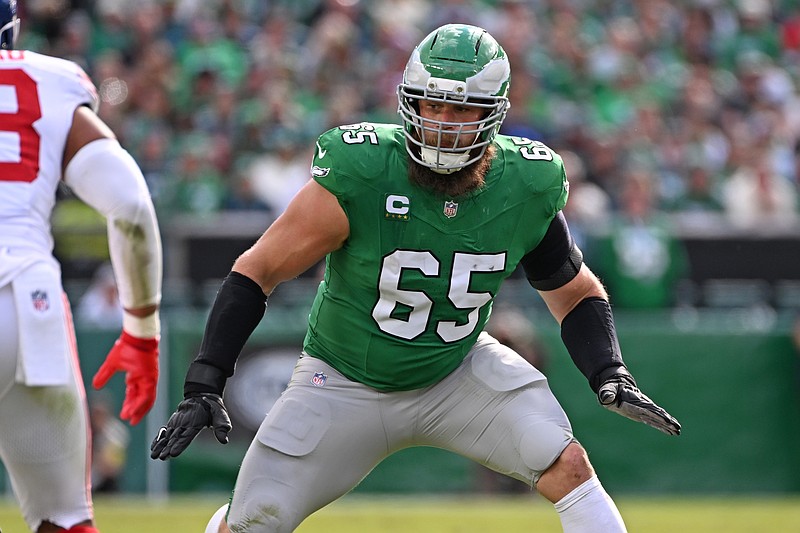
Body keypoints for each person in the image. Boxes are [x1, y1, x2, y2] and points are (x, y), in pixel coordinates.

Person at [151, 24, 680, 533]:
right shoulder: (363, 171)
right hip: (341, 381)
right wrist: (206, 379)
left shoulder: (525, 185)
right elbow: (257, 270)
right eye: (432, 104)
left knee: (568, 466)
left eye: (461, 107)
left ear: (492, 115)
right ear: (409, 102)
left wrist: (609, 369)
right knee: (252, 523)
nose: (443, 123)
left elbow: (575, 292)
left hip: (458, 370)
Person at [0, 2, 163, 532]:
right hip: (26, 304)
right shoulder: (46, 82)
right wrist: (141, 333)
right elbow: (132, 207)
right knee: (64, 520)